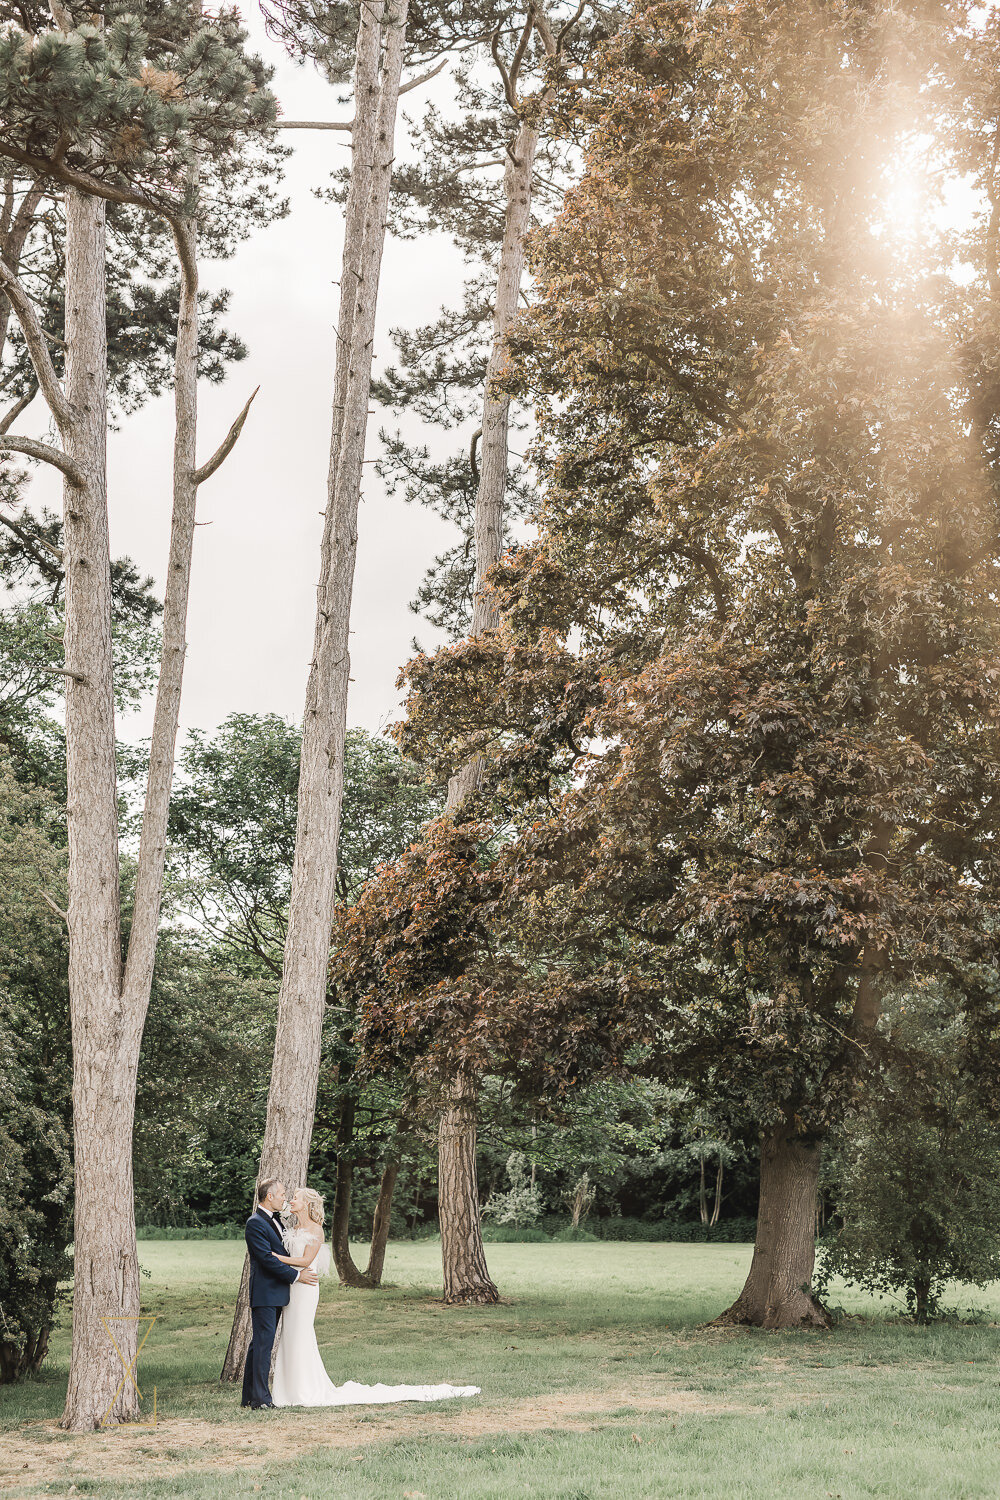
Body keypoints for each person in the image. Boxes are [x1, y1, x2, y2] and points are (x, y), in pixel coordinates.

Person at [268, 1185, 480, 1408]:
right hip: (293, 1285)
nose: (291, 1201)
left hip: (306, 1289)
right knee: (290, 1334)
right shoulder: (291, 1226)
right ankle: (288, 1389)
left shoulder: (316, 1230)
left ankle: (304, 1389)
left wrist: (273, 1258)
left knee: (301, 1333)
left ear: (308, 1204)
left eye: (296, 1198)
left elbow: (304, 1261)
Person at [241, 1177, 319, 1410]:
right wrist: (296, 1276)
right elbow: (266, 1259)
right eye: (283, 1193)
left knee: (259, 1345)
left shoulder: (277, 1221)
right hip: (265, 1292)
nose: (285, 1197)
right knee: (263, 1346)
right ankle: (261, 1400)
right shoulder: (255, 1223)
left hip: (277, 1292)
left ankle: (250, 1397)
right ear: (270, 1196)